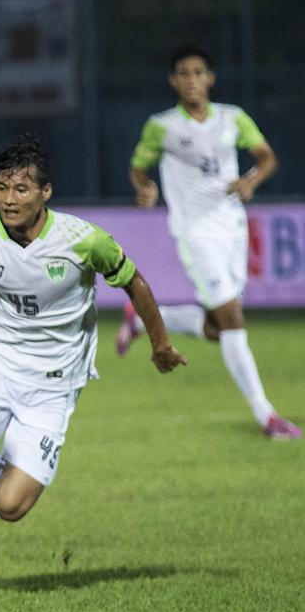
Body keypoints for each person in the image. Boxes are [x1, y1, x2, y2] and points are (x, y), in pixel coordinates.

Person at [0, 135, 187, 605]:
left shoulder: (82, 239)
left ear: (45, 193)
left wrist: (160, 343)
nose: (8, 199)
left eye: (21, 189)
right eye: (1, 188)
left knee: (10, 507)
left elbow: (135, 282)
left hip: (56, 387)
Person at [118, 43, 298, 440]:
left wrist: (250, 179)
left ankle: (145, 321)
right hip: (194, 232)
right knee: (234, 321)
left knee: (220, 329)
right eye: (183, 73)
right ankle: (266, 416)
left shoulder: (233, 118)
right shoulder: (161, 125)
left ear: (210, 78)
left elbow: (266, 156)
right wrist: (144, 187)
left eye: (198, 72)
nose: (192, 80)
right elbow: (138, 167)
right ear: (173, 81)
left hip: (233, 229)